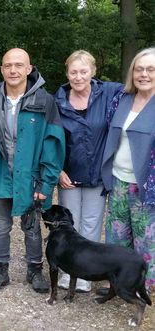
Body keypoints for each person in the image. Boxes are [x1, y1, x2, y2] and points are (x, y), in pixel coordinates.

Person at [0, 48, 65, 293]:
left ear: (29, 69)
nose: (13, 70)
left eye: (19, 65)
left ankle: (35, 270)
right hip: (0, 173)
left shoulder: (45, 101)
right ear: (1, 69)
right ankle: (0, 270)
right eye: (8, 65)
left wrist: (46, 183)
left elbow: (52, 143)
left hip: (31, 176)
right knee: (1, 225)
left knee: (31, 225)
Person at [54, 50, 122, 292]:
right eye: (73, 72)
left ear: (93, 72)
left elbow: (141, 89)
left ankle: (85, 274)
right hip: (69, 174)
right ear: (67, 73)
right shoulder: (58, 99)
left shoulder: (111, 93)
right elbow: (53, 138)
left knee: (91, 225)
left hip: (97, 174)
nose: (78, 76)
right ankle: (66, 272)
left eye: (83, 71)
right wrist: (58, 170)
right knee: (67, 225)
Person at [101, 47, 155, 293]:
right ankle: (119, 286)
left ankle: (145, 290)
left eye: (151, 69)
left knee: (147, 242)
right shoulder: (121, 99)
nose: (144, 74)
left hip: (148, 188)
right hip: (119, 181)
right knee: (117, 239)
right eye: (139, 69)